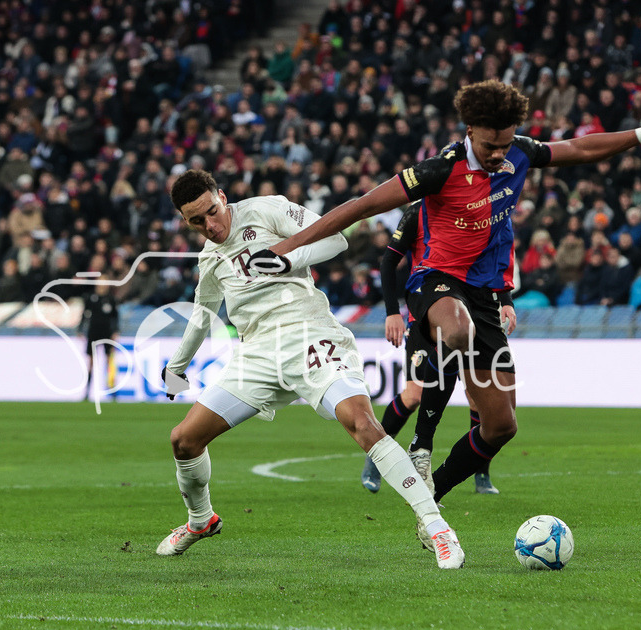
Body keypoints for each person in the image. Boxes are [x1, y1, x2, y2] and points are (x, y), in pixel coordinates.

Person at [253, 81, 641, 547]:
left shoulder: (519, 153)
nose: (498, 154)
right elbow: (362, 206)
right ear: (469, 132)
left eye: (504, 144)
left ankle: (433, 496)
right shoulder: (437, 170)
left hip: (484, 295)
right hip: (434, 282)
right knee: (456, 330)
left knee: (502, 426)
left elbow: (582, 149)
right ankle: (421, 445)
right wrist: (286, 250)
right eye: (489, 146)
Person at [157, 169, 465, 569]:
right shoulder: (210, 258)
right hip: (256, 354)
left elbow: (336, 239)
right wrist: (176, 368)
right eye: (196, 221)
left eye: (211, 211)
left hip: (309, 334)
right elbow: (202, 316)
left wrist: (287, 259)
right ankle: (201, 520)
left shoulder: (266, 210)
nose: (209, 226)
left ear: (222, 196)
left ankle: (437, 528)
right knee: (183, 440)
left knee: (362, 423)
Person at [360, 201, 509, 496]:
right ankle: (376, 457)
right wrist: (392, 312)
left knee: (476, 398)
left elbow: (493, 260)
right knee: (414, 394)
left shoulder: (474, 209)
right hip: (426, 314)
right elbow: (389, 261)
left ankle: (481, 473)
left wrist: (505, 301)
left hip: (470, 309)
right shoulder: (419, 212)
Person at [79, 280, 120, 400]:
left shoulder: (111, 299)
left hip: (107, 332)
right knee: (91, 362)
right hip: (93, 332)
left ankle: (112, 390)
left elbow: (115, 317)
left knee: (109, 361)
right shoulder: (90, 298)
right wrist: (80, 329)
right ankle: (87, 392)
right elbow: (85, 314)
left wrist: (115, 331)